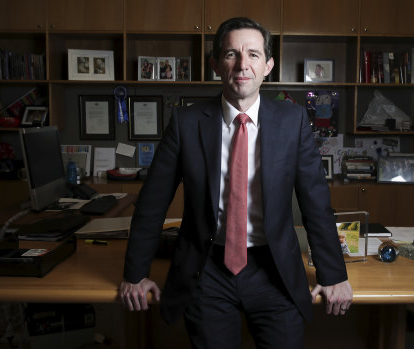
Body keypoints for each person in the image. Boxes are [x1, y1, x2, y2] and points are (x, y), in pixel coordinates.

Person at [119, 17, 352, 348]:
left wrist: (334, 275)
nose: (243, 65)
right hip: (207, 270)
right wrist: (135, 274)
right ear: (216, 64)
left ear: (268, 65)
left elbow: (316, 203)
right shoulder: (186, 124)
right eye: (231, 54)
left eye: (254, 55)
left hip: (274, 270)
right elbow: (152, 204)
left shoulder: (292, 121)